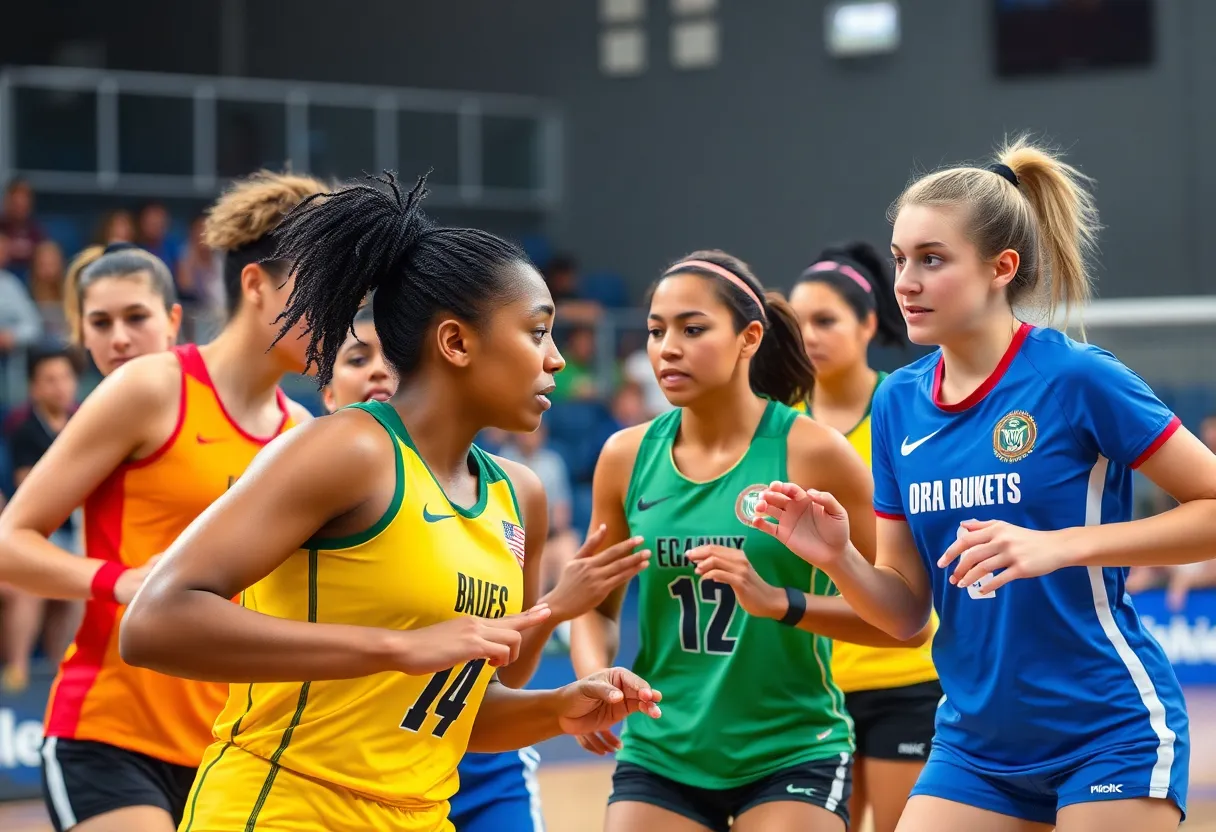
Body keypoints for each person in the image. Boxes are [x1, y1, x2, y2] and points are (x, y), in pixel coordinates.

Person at [118, 171, 662, 832]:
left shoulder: (517, 495)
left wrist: (557, 708)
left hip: (420, 815)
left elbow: (452, 711)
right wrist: (394, 646)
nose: (555, 361)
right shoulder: (349, 450)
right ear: (457, 342)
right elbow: (153, 624)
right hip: (284, 807)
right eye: (537, 332)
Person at [747, 138, 1216, 832]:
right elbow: (906, 615)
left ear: (1002, 267)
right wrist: (837, 558)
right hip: (976, 743)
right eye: (901, 259)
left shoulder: (1077, 378)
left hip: (1106, 727)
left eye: (932, 260)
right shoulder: (898, 403)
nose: (905, 280)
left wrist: (1058, 547)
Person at [0, 170, 324, 832]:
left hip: (234, 753)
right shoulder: (153, 387)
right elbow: (10, 543)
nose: (341, 312)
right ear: (257, 285)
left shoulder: (303, 435)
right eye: (325, 290)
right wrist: (124, 583)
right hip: (112, 737)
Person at [569, 250, 929, 832]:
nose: (667, 347)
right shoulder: (624, 456)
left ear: (749, 337)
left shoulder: (814, 452)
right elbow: (595, 605)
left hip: (792, 748)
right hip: (662, 749)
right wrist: (592, 674)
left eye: (692, 328)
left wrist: (782, 603)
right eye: (657, 331)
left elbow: (905, 620)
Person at [317, 303, 648, 832]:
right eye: (358, 359)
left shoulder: (510, 491)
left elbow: (505, 675)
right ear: (327, 396)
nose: (379, 371)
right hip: (345, 768)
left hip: (476, 755)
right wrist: (556, 606)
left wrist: (553, 612)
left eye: (391, 358)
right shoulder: (312, 477)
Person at [787, 242, 939, 832]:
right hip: (810, 687)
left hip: (906, 675)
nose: (809, 336)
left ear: (869, 322)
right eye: (798, 322)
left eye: (826, 321)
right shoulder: (779, 420)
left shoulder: (908, 407)